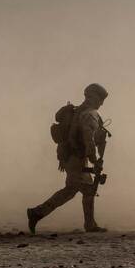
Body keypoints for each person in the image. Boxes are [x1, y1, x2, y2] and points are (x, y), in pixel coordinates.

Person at [28, 84, 110, 234]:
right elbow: (89, 140)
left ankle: (37, 213)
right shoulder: (90, 114)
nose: (101, 103)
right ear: (93, 98)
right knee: (86, 189)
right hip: (76, 157)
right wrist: (95, 160)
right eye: (100, 99)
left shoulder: (78, 111)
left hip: (71, 157)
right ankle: (89, 225)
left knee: (72, 190)